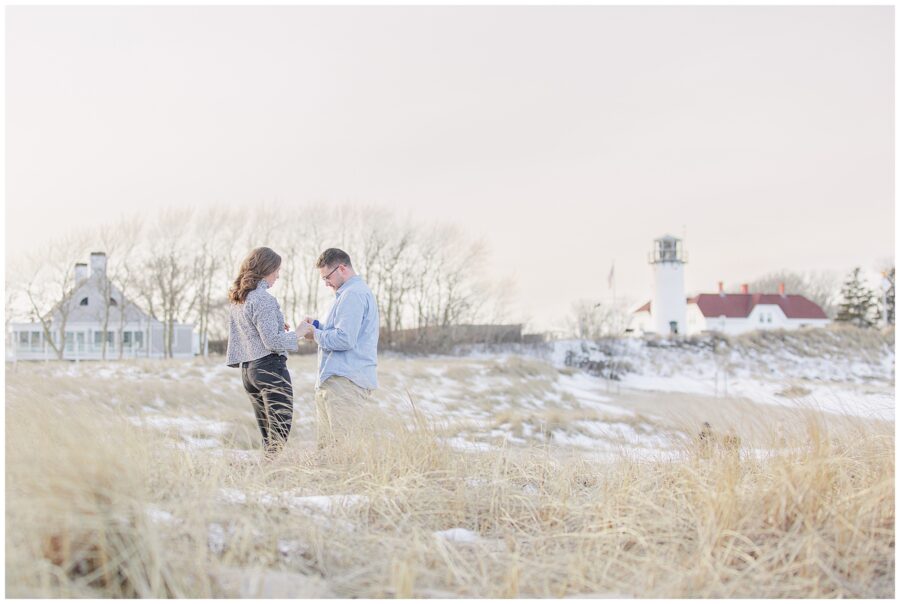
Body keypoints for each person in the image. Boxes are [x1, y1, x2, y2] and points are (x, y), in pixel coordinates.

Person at [226, 247, 312, 457]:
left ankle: (267, 474)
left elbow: (249, 336)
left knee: (269, 435)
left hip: (249, 373)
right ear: (266, 269)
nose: (278, 276)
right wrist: (299, 332)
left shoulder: (239, 299)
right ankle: (273, 473)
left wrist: (276, 326)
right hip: (269, 369)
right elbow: (272, 341)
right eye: (276, 270)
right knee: (279, 431)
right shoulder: (262, 298)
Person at [302, 248, 379, 449]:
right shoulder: (348, 293)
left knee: (340, 448)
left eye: (327, 277)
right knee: (329, 448)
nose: (326, 283)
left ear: (342, 268)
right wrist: (318, 326)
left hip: (345, 382)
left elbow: (345, 339)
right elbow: (342, 331)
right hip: (337, 380)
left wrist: (315, 335)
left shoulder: (352, 294)